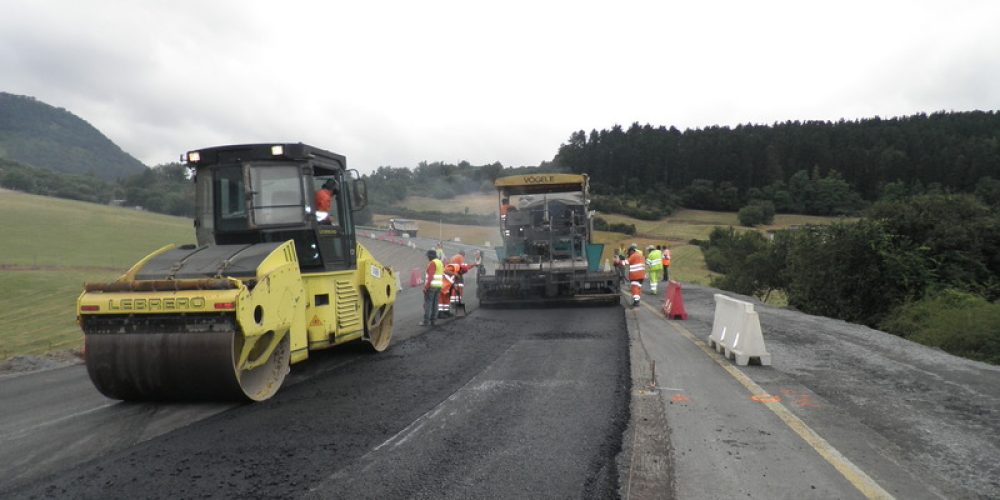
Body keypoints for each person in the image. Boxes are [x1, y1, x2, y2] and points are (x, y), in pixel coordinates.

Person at [419, 249, 444, 326]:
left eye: (428, 256)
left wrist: (426, 287)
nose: (427, 258)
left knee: (428, 304)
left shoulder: (433, 263)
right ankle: (433, 321)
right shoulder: (439, 262)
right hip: (438, 286)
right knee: (435, 303)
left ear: (431, 256)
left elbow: (430, 276)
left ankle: (426, 321)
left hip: (432, 286)